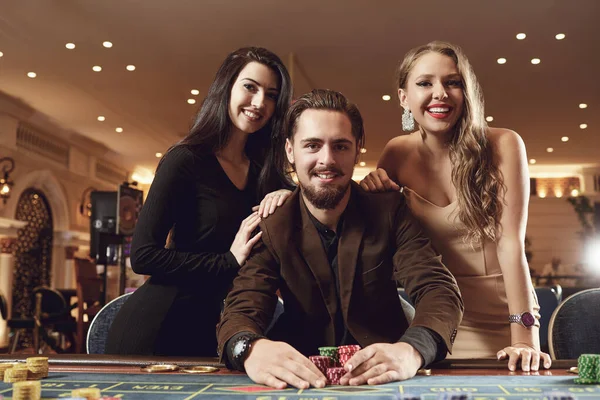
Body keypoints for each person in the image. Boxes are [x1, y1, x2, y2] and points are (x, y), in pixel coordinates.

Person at [217, 89, 463, 389]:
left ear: (358, 149)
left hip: (386, 378)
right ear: (290, 151)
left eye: (341, 146)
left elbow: (438, 290)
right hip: (300, 380)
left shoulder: (388, 210)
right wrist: (251, 349)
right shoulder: (274, 224)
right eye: (312, 145)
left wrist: (411, 350)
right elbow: (241, 308)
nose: (327, 160)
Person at [360, 41, 551, 371]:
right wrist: (369, 192)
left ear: (466, 91)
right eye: (425, 83)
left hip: (506, 320)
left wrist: (523, 336)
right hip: (436, 325)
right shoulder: (396, 153)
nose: (440, 94)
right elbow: (377, 241)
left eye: (453, 82)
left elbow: (510, 245)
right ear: (404, 97)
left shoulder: (504, 144)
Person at [105, 47, 293, 356]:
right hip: (160, 326)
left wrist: (288, 195)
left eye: (271, 95)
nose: (260, 102)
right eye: (250, 87)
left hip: (217, 328)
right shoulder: (186, 160)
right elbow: (143, 255)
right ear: (226, 87)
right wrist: (227, 261)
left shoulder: (264, 175)